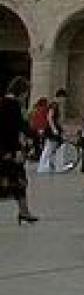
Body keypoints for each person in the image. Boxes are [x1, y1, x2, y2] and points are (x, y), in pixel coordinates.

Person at [1, 76, 38, 224]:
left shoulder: (3, 102)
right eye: (26, 93)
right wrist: (14, 150)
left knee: (16, 181)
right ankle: (24, 212)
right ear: (21, 92)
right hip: (8, 150)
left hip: (5, 149)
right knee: (17, 181)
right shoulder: (13, 105)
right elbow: (16, 128)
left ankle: (24, 212)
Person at [36, 91, 66, 174]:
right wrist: (54, 129)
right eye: (63, 98)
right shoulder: (54, 105)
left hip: (53, 129)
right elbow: (49, 117)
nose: (63, 100)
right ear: (60, 97)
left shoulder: (56, 106)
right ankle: (42, 166)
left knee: (53, 148)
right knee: (49, 148)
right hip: (51, 130)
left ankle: (50, 165)